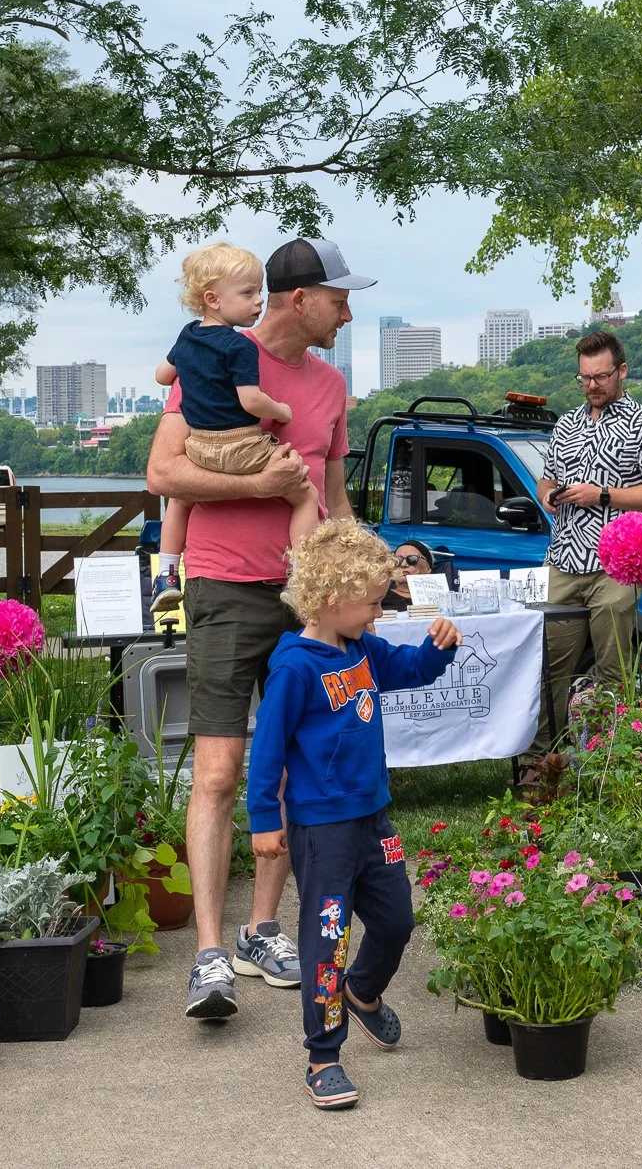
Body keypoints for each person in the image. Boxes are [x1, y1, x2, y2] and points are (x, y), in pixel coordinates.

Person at [144, 236, 373, 1022]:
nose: (347, 312)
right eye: (339, 299)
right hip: (220, 588)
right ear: (299, 299)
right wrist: (266, 482)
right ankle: (209, 954)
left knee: (288, 773)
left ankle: (260, 930)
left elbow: (334, 498)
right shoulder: (217, 355)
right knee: (217, 771)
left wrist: (373, 568)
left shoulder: (333, 385)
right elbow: (164, 473)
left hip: (301, 601)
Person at [245, 518, 461, 1109]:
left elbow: (409, 671)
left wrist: (436, 649)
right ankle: (323, 1057)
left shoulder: (361, 646)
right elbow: (266, 752)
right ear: (333, 600)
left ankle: (363, 993)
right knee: (328, 936)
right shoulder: (294, 668)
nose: (376, 613)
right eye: (370, 603)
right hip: (322, 831)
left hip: (374, 819)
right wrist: (264, 819)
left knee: (396, 922)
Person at [148, 243, 320, 614]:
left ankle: (165, 574)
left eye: (259, 291)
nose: (259, 301)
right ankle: (302, 576)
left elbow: (163, 375)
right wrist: (283, 411)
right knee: (303, 491)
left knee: (181, 499)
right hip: (239, 445)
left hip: (198, 447)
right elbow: (251, 402)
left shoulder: (187, 336)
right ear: (213, 298)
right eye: (248, 293)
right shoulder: (239, 347)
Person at [535, 331, 642, 741]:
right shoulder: (565, 425)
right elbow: (548, 478)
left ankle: (613, 759)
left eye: (600, 376)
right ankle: (543, 761)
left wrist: (602, 495)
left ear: (622, 371)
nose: (592, 385)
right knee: (547, 667)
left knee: (613, 668)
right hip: (563, 560)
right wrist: (548, 494)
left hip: (615, 565)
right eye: (584, 378)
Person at [380, 540, 435, 612]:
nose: (403, 564)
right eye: (398, 560)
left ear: (427, 568)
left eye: (412, 559)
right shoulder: (379, 596)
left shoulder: (442, 598)